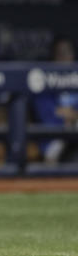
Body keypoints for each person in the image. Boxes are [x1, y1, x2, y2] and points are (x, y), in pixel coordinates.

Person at [32, 36, 78, 165]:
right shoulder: (45, 83)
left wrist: (70, 115)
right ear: (53, 57)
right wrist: (73, 116)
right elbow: (48, 115)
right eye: (60, 53)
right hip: (55, 142)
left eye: (67, 52)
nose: (64, 57)